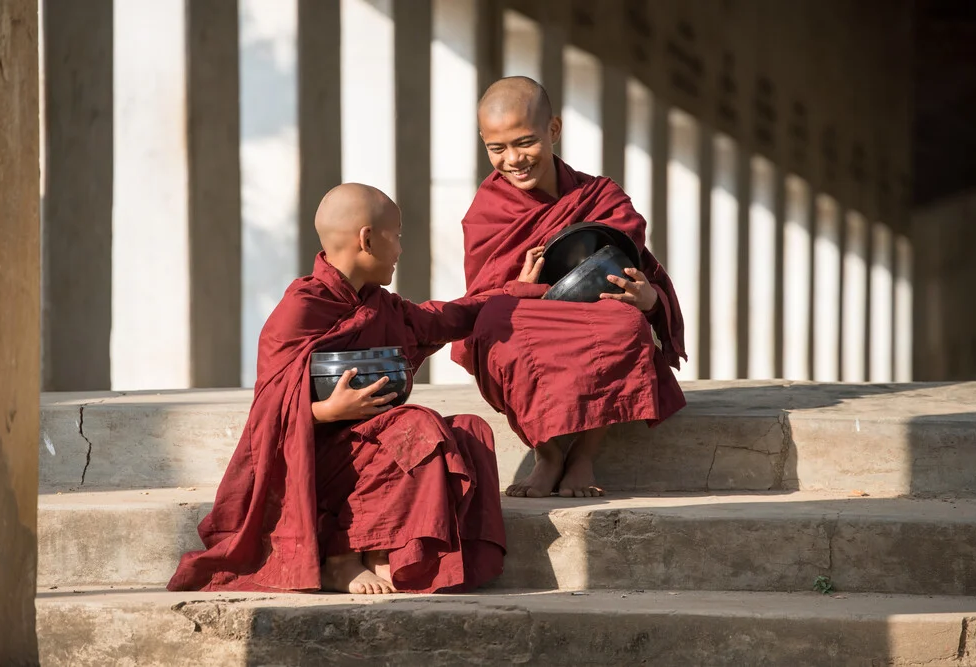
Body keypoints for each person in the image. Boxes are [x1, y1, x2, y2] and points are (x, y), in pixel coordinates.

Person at [168, 183, 545, 595]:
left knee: (469, 431)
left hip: (367, 447)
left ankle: (391, 553)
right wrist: (325, 412)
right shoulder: (301, 308)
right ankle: (341, 557)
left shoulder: (379, 304)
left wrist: (513, 291)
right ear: (367, 239)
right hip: (312, 464)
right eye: (397, 235)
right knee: (416, 423)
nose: (401, 249)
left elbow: (445, 318)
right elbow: (266, 416)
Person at [452, 76, 687, 499]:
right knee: (493, 329)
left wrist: (649, 299)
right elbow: (480, 298)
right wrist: (520, 286)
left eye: (525, 142)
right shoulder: (486, 212)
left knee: (625, 325)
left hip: (596, 311)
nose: (514, 159)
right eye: (497, 148)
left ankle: (583, 455)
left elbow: (635, 269)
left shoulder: (600, 196)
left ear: (553, 130)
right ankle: (548, 454)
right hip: (530, 315)